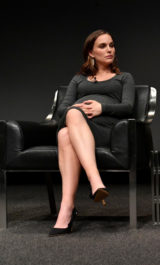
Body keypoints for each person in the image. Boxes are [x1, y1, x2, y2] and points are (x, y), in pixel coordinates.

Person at [49, 29, 135, 236]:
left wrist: (101, 108)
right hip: (78, 128)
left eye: (112, 45)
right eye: (103, 46)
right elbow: (61, 109)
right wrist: (78, 110)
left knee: (65, 132)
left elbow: (128, 107)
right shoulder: (79, 80)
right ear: (90, 52)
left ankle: (80, 196)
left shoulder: (123, 78)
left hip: (105, 130)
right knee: (66, 128)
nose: (109, 50)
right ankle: (70, 205)